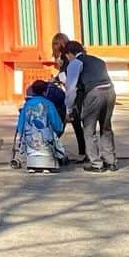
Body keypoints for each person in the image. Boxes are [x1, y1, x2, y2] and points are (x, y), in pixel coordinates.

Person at [62, 40, 117, 172]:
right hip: (110, 91)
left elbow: (71, 89)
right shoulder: (98, 60)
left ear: (69, 54)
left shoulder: (75, 63)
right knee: (106, 126)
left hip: (93, 93)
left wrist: (68, 109)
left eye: (66, 56)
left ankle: (96, 163)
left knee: (88, 128)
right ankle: (110, 161)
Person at [12, 80, 66, 172]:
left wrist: (21, 135)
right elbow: (57, 125)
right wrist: (58, 130)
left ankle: (32, 163)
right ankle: (48, 162)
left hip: (30, 142)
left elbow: (21, 125)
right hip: (46, 141)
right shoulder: (48, 104)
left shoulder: (27, 105)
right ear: (45, 91)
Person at [52, 31, 87, 163]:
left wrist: (57, 78)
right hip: (73, 92)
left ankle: (82, 152)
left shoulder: (67, 58)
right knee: (77, 125)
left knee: (71, 123)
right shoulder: (68, 55)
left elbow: (65, 75)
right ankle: (83, 151)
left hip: (73, 93)